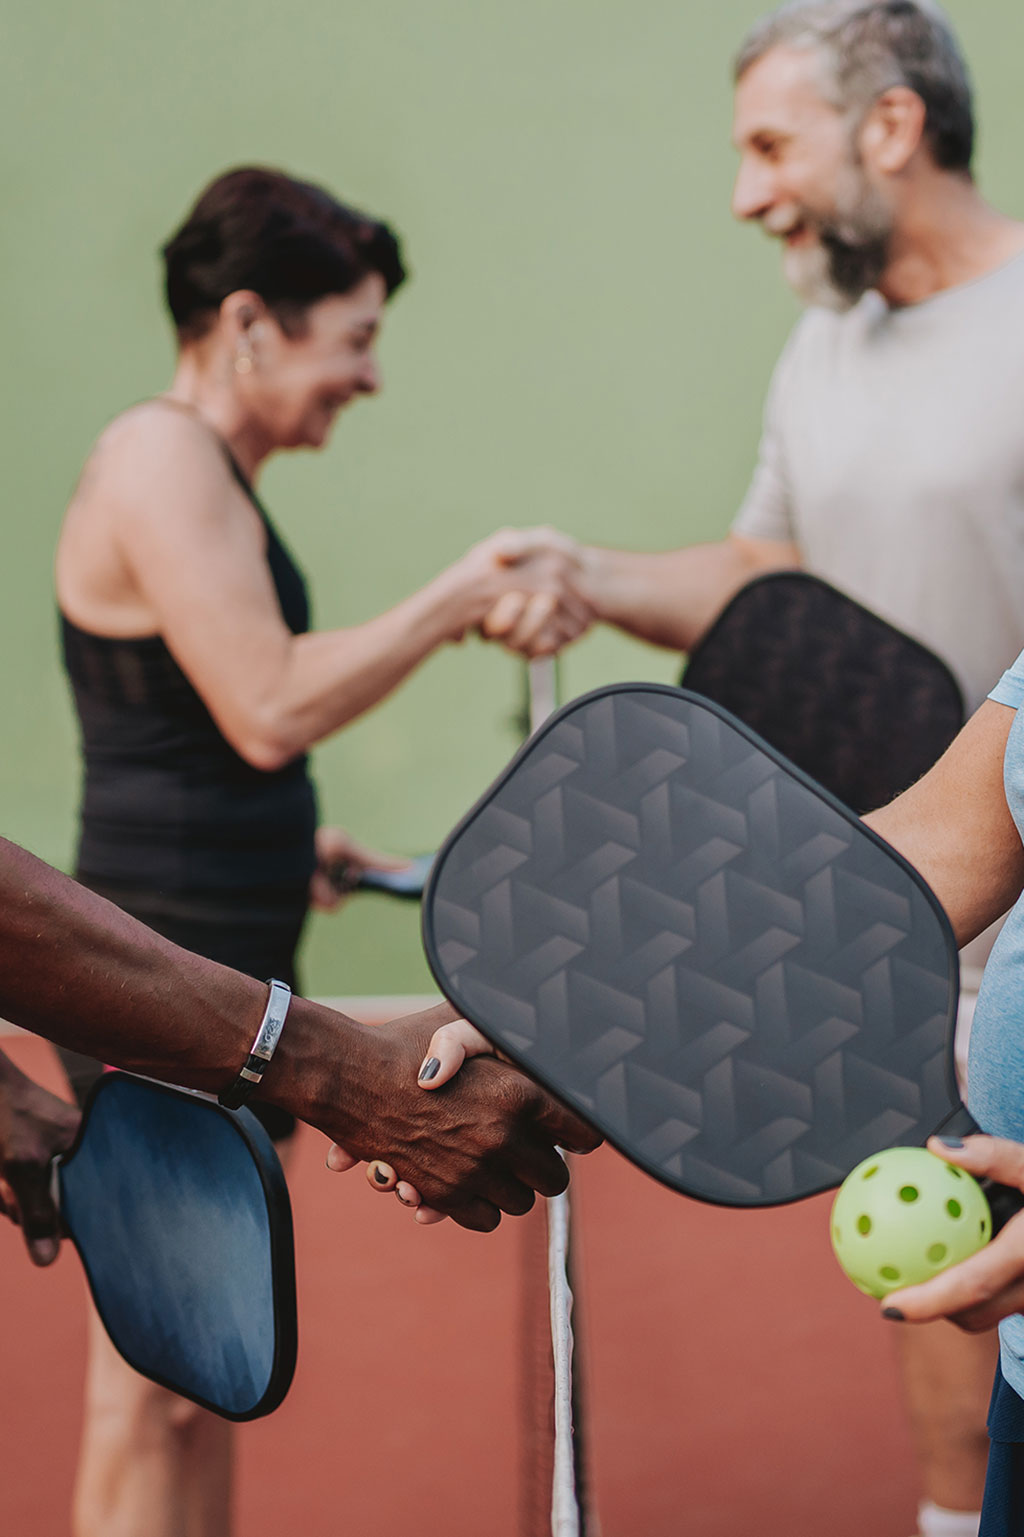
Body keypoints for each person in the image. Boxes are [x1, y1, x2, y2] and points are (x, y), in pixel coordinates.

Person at [478, 5, 1024, 1533]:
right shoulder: (822, 345)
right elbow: (768, 577)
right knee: (939, 1244)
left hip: (1014, 880)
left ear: (893, 130)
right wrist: (589, 572)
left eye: (771, 144)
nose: (745, 193)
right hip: (899, 878)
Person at [52, 164, 585, 1537]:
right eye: (351, 338)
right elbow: (269, 702)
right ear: (247, 324)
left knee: (203, 1367)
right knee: (152, 1379)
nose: (369, 376)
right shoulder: (159, 453)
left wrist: (293, 843)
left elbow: (193, 734)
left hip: (227, 948)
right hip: (155, 974)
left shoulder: (206, 469)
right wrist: (462, 594)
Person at [0, 835, 596, 1253]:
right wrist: (346, 1075)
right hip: (155, 949)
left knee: (212, 1350)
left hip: (212, 960)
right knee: (178, 1361)